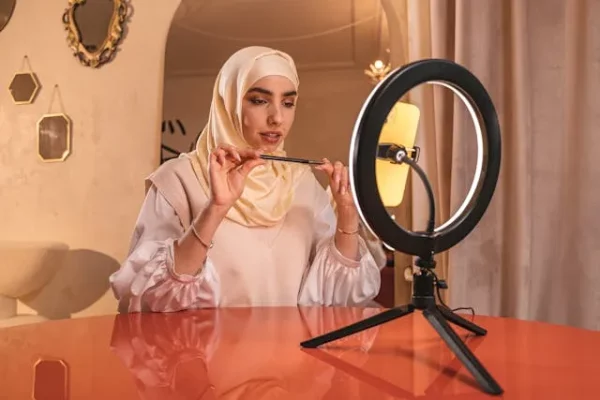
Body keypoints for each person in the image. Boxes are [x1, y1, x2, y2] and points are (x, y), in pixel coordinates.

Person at [109, 46, 384, 313]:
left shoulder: (303, 184)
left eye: (288, 103)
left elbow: (339, 299)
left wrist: (347, 215)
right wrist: (216, 208)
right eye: (259, 101)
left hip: (294, 346)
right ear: (228, 102)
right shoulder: (178, 180)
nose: (277, 118)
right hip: (208, 346)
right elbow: (148, 299)